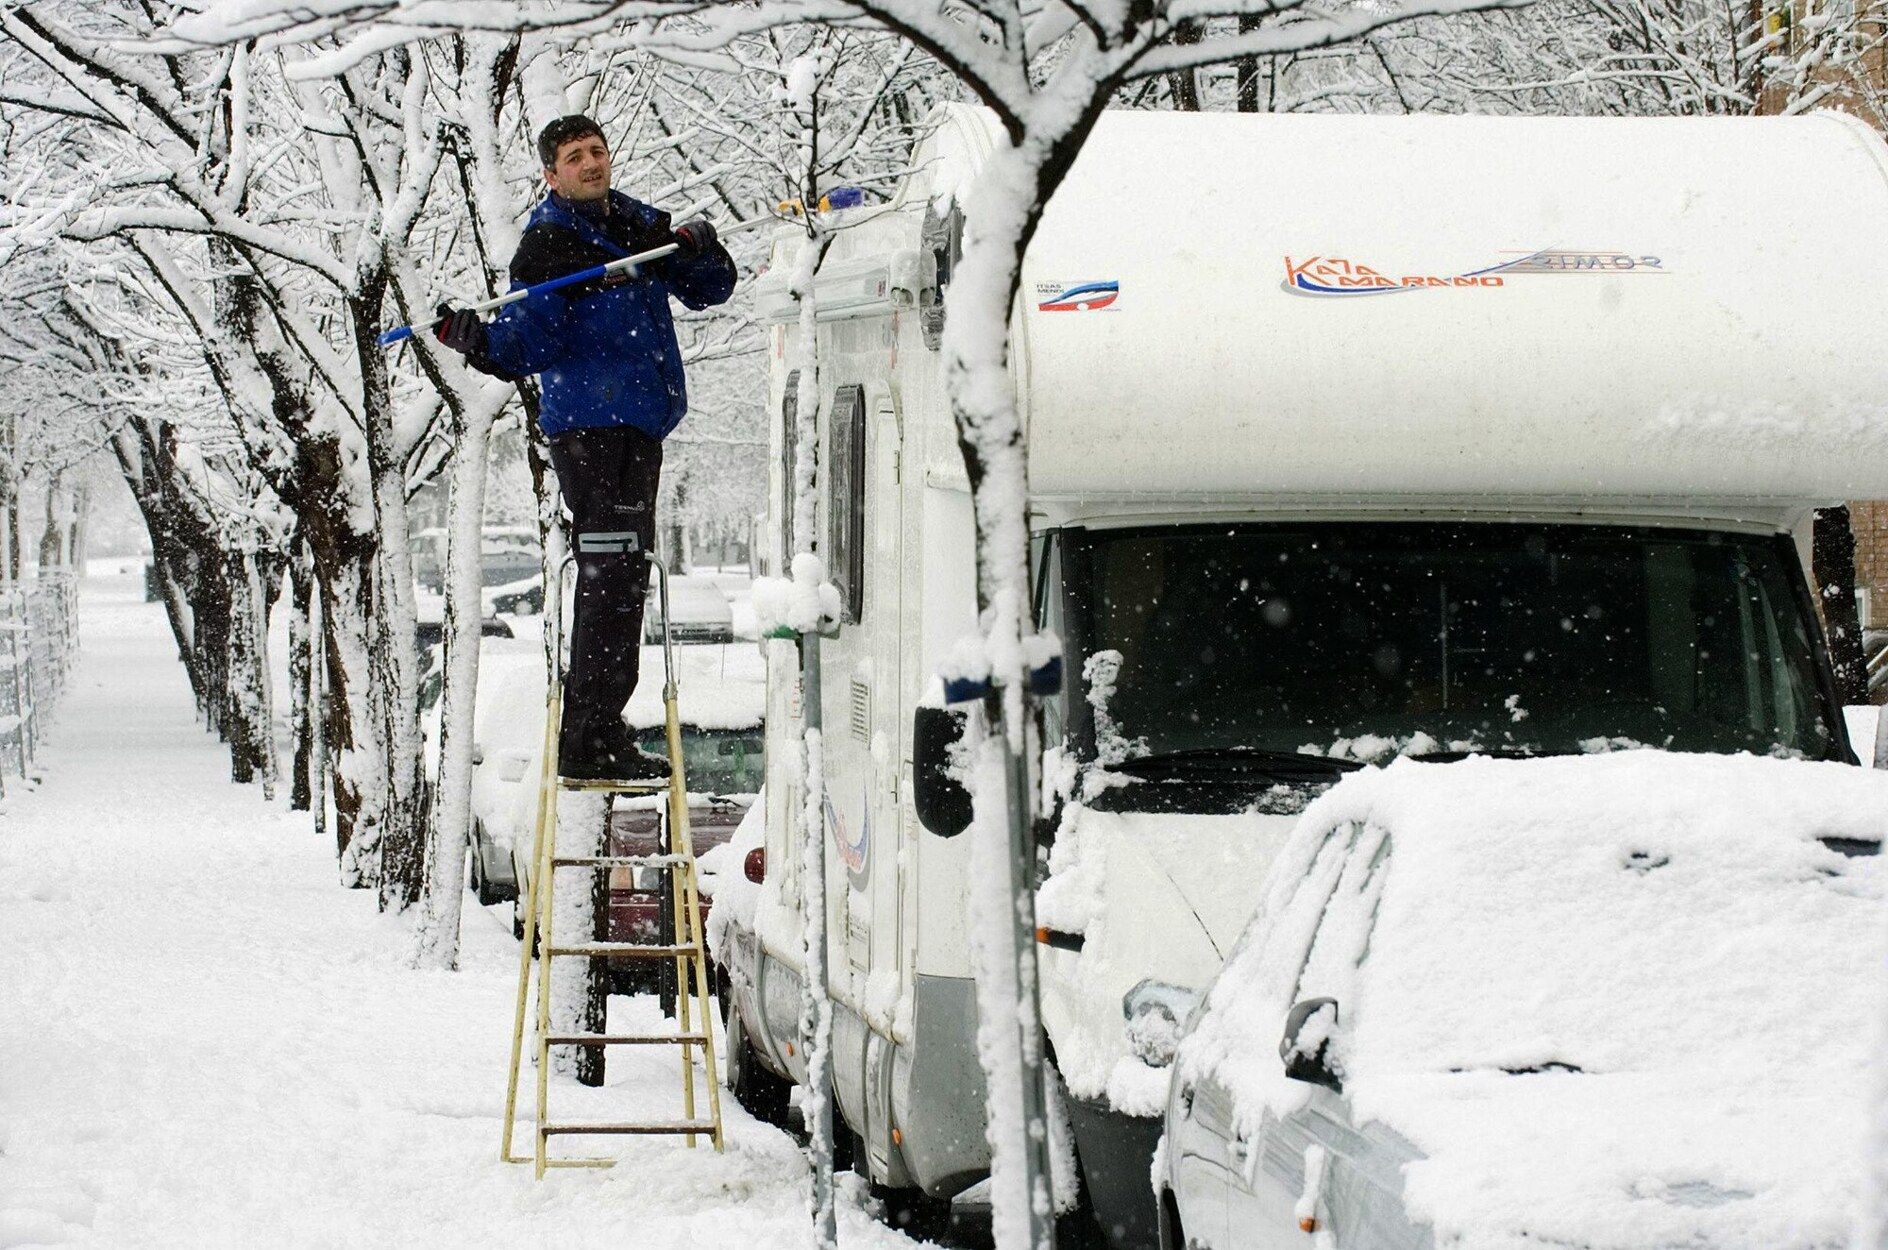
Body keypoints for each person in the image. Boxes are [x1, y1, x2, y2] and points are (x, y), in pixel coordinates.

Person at [433, 114, 737, 779]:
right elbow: (525, 347)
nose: (591, 163)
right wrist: (473, 338)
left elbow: (710, 288)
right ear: (552, 173)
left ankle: (602, 730)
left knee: (624, 583)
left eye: (597, 150)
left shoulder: (636, 227)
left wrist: (701, 247)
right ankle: (588, 741)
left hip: (639, 428)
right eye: (574, 157)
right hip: (590, 438)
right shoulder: (548, 247)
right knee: (610, 583)